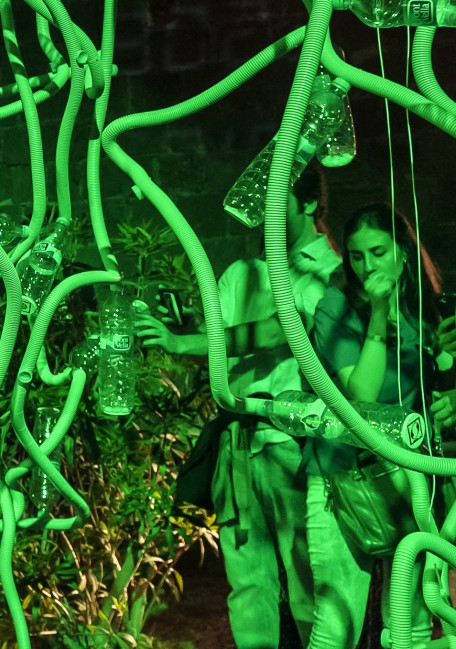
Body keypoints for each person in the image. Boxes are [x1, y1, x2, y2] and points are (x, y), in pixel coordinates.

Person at [136, 166, 340, 647]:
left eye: (277, 199)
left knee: (310, 584)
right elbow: (216, 348)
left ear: (309, 203)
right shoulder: (241, 273)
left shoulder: (328, 271)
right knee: (248, 587)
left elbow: (276, 332)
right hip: (237, 445)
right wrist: (180, 329)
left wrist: (182, 341)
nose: (265, 211)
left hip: (292, 444)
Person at [308, 203, 452, 648]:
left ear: (402, 252)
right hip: (343, 478)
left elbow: (432, 389)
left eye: (377, 252)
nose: (367, 266)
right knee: (336, 627)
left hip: (408, 476)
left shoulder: (422, 310)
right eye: (356, 256)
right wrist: (376, 313)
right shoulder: (335, 307)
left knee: (410, 624)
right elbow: (362, 397)